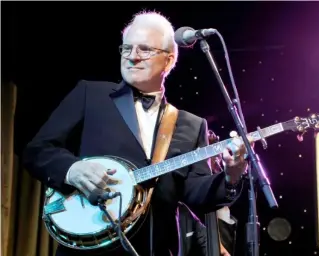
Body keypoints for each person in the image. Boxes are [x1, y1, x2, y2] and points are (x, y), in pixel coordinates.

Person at [23, 11, 249, 256]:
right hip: (90, 249)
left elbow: (197, 194)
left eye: (144, 49)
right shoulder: (91, 95)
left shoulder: (192, 125)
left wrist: (232, 175)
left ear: (169, 59)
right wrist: (72, 170)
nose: (132, 57)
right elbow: (37, 151)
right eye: (126, 48)